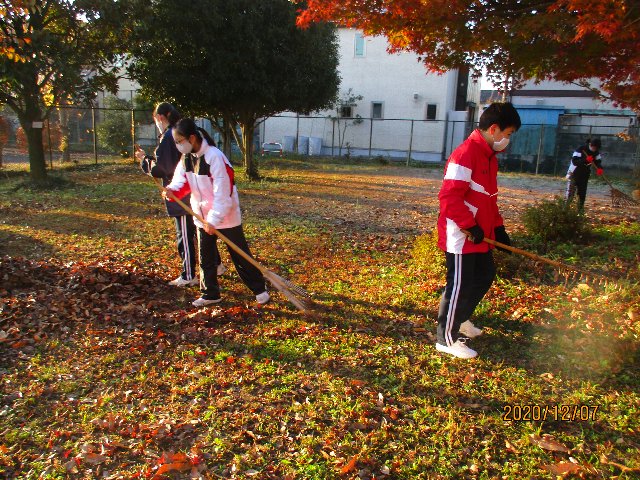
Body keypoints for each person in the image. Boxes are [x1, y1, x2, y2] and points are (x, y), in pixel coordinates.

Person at [435, 102, 521, 359]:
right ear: (493, 129)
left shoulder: (488, 157)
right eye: (507, 134)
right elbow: (449, 197)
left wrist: (499, 227)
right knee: (458, 285)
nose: (507, 140)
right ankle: (445, 338)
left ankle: (460, 320)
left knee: (484, 276)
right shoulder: (465, 154)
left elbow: (488, 198)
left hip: (481, 234)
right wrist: (469, 225)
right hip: (461, 236)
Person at [165, 118, 270, 307]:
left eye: (180, 141)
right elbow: (181, 182)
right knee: (206, 257)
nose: (179, 145)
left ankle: (259, 288)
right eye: (176, 142)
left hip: (226, 216)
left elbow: (224, 192)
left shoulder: (215, 157)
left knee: (240, 255)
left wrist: (213, 219)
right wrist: (172, 191)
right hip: (201, 217)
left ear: (191, 137)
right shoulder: (186, 158)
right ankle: (210, 293)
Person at [135, 103, 225, 287]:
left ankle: (189, 274)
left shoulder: (170, 135)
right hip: (189, 191)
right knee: (199, 233)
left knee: (186, 234)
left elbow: (163, 168)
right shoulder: (175, 134)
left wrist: (145, 161)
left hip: (184, 196)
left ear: (160, 117)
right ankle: (216, 265)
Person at [565, 137, 604, 211]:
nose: (594, 149)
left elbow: (598, 162)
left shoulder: (596, 152)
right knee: (570, 192)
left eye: (596, 148)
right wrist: (585, 160)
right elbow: (575, 162)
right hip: (574, 173)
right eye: (594, 147)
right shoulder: (581, 149)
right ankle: (566, 208)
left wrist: (600, 168)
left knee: (582, 193)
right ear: (590, 144)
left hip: (584, 174)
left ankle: (580, 209)